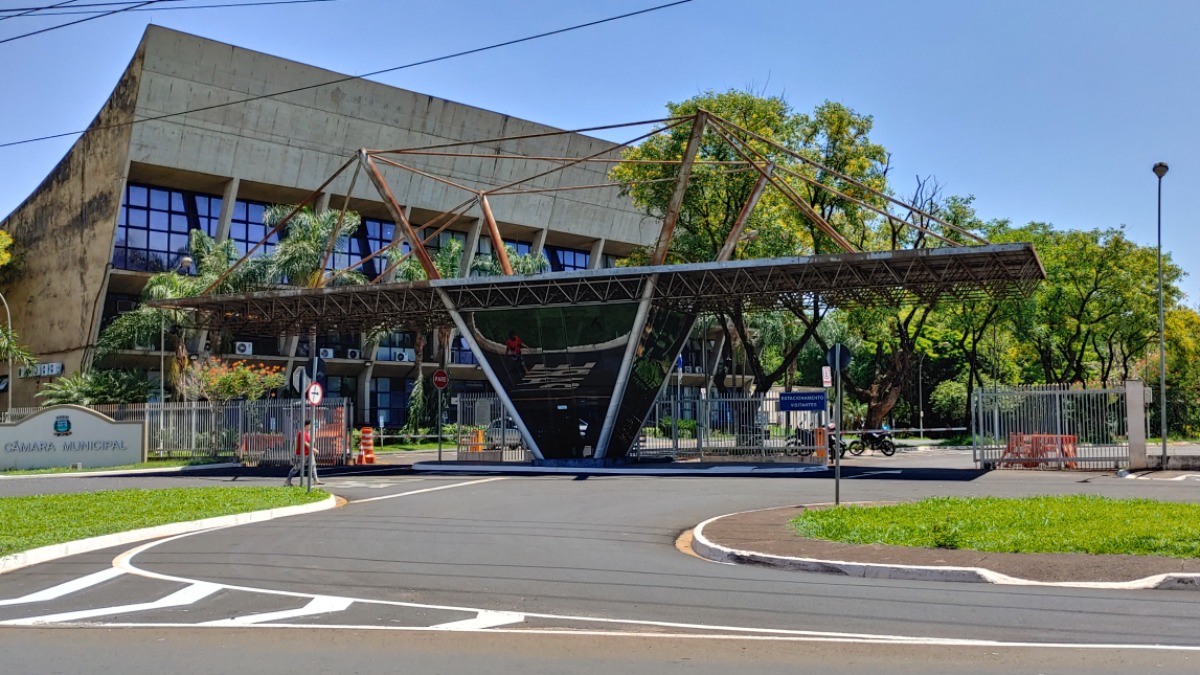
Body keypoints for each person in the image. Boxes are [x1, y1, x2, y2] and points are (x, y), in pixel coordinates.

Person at [285, 420, 323, 486]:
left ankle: (316, 480)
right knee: (297, 467)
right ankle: (288, 480)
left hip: (309, 453)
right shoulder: (301, 433)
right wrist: (314, 449)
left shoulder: (308, 433)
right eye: (311, 425)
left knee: (313, 465)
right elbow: (305, 443)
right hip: (302, 454)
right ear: (307, 425)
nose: (311, 427)